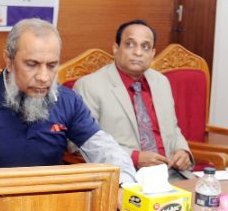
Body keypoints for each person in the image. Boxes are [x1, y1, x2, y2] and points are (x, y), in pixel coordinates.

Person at [0, 18, 136, 184]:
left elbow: (105, 150)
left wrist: (124, 187)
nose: (44, 77)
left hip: (46, 209)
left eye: (52, 65)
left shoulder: (67, 101)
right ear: (9, 60)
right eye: (32, 64)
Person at [73, 20, 193, 175]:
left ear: (152, 54)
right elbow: (78, 143)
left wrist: (183, 151)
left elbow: (173, 128)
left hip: (172, 174)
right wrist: (133, 157)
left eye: (145, 47)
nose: (138, 52)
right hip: (126, 176)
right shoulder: (89, 86)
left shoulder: (161, 82)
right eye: (130, 44)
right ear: (116, 48)